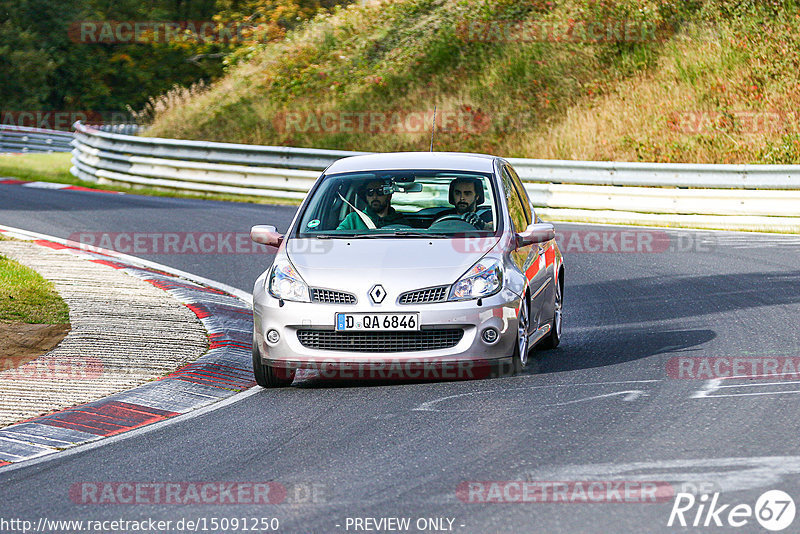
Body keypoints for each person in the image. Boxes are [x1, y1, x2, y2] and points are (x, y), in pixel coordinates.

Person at [337, 179, 411, 230]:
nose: (374, 197)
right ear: (365, 196)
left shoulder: (401, 222)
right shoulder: (352, 219)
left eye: (380, 192)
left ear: (389, 196)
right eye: (370, 192)